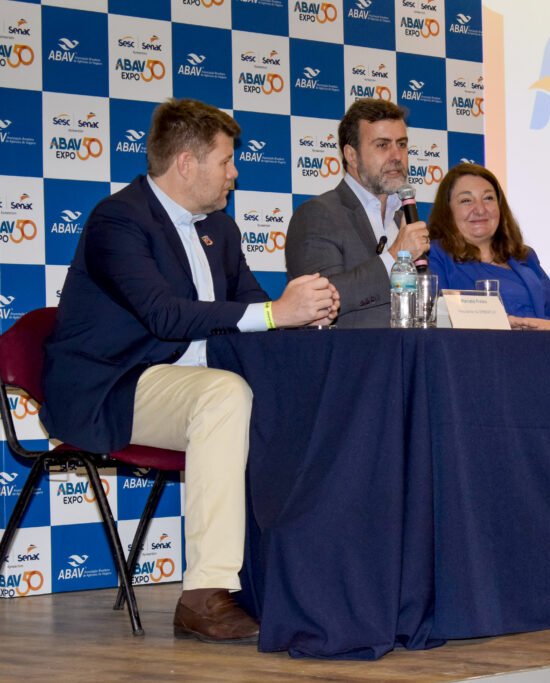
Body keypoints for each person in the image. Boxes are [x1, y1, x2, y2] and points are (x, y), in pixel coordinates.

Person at [40, 98, 339, 644]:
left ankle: (292, 577)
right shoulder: (119, 219)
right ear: (186, 164)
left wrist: (299, 319)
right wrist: (276, 312)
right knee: (224, 395)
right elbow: (164, 315)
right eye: (226, 161)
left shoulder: (219, 229)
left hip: (184, 382)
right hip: (113, 384)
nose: (235, 173)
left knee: (282, 393)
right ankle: (204, 593)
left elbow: (250, 308)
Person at [286, 98, 429, 327]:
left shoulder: (404, 217)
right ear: (351, 156)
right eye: (382, 145)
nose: (397, 156)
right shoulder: (317, 215)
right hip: (351, 357)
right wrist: (395, 257)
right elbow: (323, 302)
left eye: (401, 144)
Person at [427, 163, 550, 330]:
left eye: (488, 198)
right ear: (447, 210)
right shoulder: (435, 254)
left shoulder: (524, 256)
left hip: (543, 350)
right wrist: (504, 323)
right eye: (466, 200)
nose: (480, 209)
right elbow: (438, 319)